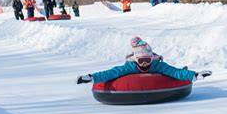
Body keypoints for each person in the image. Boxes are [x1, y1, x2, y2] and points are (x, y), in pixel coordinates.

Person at [77, 36, 212, 84]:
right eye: (141, 61)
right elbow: (111, 73)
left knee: (176, 71)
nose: (145, 63)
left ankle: (188, 71)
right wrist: (90, 78)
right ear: (135, 60)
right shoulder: (130, 67)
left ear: (151, 58)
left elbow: (174, 72)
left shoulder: (156, 65)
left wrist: (196, 75)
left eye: (147, 59)